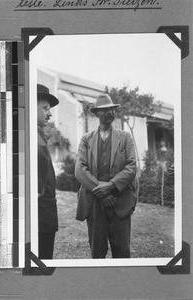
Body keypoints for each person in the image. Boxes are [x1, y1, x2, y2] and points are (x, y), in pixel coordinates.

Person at [75, 94, 137, 259]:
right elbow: (80, 169)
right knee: (97, 251)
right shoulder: (86, 140)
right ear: (97, 114)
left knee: (122, 252)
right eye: (104, 110)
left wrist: (110, 186)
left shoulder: (125, 137)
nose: (110, 112)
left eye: (112, 109)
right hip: (95, 203)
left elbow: (132, 166)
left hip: (120, 201)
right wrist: (102, 193)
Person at [37, 83, 59, 259]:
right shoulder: (35, 140)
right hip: (41, 218)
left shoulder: (37, 137)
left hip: (43, 215)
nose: (50, 113)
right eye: (45, 108)